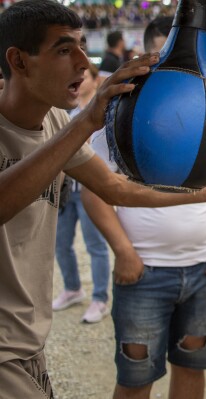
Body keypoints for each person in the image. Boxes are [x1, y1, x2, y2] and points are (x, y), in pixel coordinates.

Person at [0, 2, 206, 397]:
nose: (83, 61)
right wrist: (87, 121)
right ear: (19, 61)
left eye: (81, 46)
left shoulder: (56, 122)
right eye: (64, 50)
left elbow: (115, 189)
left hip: (25, 337)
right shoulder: (67, 125)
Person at [83, 16, 206, 399]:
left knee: (192, 367)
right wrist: (123, 251)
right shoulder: (123, 114)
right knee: (136, 377)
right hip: (144, 270)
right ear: (147, 58)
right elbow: (97, 190)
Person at [52, 63, 112, 324]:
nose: (78, 79)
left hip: (92, 186)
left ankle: (100, 298)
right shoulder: (66, 111)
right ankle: (73, 288)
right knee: (60, 243)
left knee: (95, 244)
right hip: (66, 187)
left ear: (96, 80)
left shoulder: (106, 113)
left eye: (84, 76)